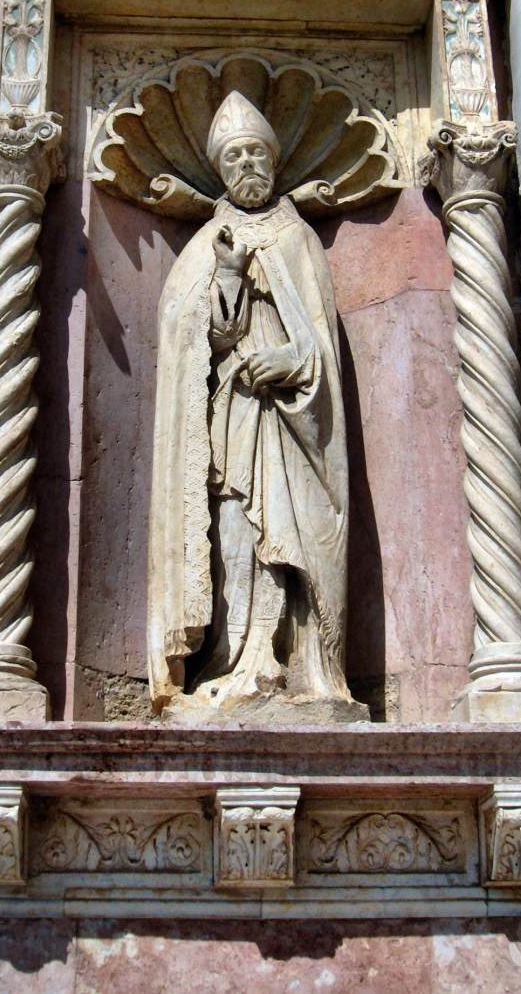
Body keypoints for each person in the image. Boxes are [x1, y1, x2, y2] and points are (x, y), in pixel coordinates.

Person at [148, 90, 355, 717]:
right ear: (220, 169)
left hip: (292, 424)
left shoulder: (299, 239)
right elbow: (200, 336)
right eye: (234, 157)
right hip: (234, 415)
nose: (246, 166)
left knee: (286, 533)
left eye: (255, 154)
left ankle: (289, 662)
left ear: (274, 160)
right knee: (236, 531)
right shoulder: (211, 242)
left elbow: (321, 342)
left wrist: (294, 360)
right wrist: (231, 275)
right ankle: (237, 659)